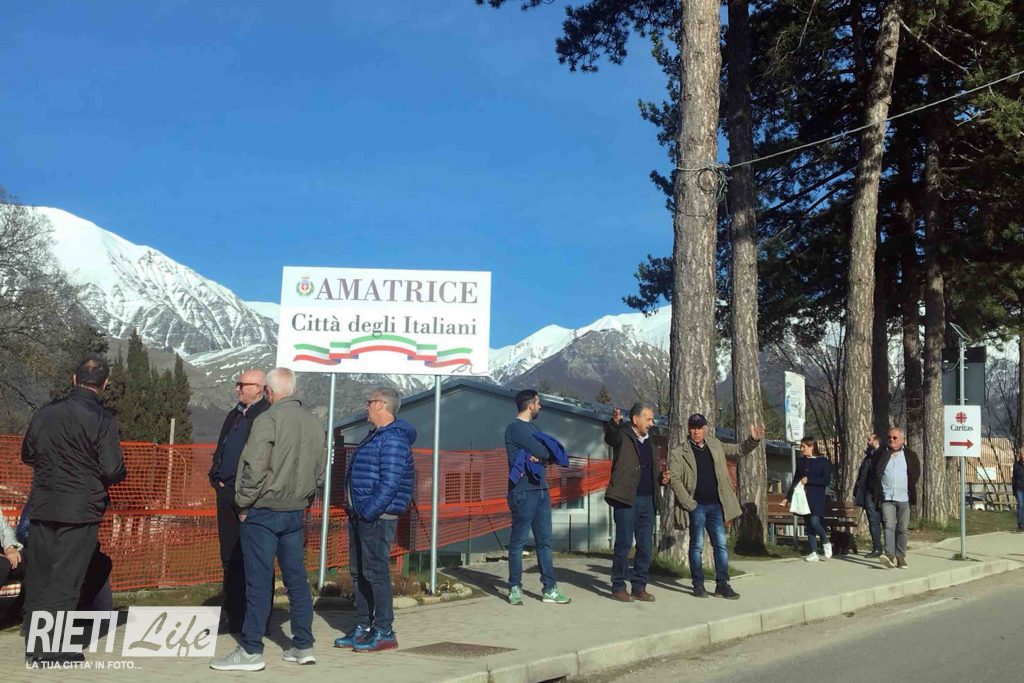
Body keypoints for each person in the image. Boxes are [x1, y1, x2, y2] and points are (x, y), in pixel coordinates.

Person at [210, 368, 326, 672]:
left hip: (263, 510)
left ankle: (251, 649)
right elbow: (320, 469)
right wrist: (304, 497)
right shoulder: (314, 423)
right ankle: (303, 645)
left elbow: (254, 467)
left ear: (269, 392)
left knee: (259, 580)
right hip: (294, 511)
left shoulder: (267, 420)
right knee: (296, 579)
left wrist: (244, 503)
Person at [20, 354, 126, 663]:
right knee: (66, 579)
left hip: (43, 504)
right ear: (104, 383)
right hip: (80, 508)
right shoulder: (102, 419)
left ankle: (34, 639)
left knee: (39, 574)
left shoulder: (45, 413)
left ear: (74, 378)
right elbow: (112, 468)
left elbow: (27, 454)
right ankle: (51, 648)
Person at [334, 387, 416, 653]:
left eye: (369, 402)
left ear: (381, 405)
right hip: (360, 514)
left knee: (375, 573)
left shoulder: (393, 438)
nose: (366, 407)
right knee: (359, 573)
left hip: (376, 517)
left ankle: (384, 631)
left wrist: (369, 511)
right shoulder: (376, 435)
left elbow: (390, 482)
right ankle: (363, 626)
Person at [666, 413, 764, 600]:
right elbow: (675, 479)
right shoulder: (679, 452)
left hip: (716, 505)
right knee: (697, 546)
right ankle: (698, 584)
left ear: (705, 429)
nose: (696, 432)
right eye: (693, 428)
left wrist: (753, 440)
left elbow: (738, 450)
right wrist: (689, 503)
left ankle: (722, 585)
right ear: (688, 429)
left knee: (720, 545)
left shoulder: (715, 445)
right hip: (696, 506)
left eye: (699, 428)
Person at [208, 368, 270, 634]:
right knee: (229, 555)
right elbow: (223, 446)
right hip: (226, 492)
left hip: (250, 496)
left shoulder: (265, 416)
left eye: (241, 384)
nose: (237, 389)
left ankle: (257, 619)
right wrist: (215, 476)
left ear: (258, 388)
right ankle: (233, 614)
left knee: (255, 557)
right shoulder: (235, 414)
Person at [604, 403, 669, 602]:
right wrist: (614, 424)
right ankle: (618, 586)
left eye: (652, 419)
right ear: (635, 419)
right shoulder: (622, 435)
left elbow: (651, 469)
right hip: (626, 498)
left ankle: (639, 586)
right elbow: (611, 437)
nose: (651, 423)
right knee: (624, 544)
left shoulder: (651, 441)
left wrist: (661, 479)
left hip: (648, 500)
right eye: (648, 419)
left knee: (645, 547)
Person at [873, 427, 921, 569]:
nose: (891, 440)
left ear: (902, 440)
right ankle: (889, 555)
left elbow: (915, 474)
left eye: (895, 438)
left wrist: (907, 487)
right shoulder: (881, 454)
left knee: (902, 529)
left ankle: (900, 557)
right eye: (889, 437)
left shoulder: (910, 455)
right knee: (889, 526)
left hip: (903, 497)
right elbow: (875, 472)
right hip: (887, 497)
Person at [782, 436, 833, 562]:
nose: (801, 449)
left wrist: (809, 480)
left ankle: (825, 541)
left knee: (815, 522)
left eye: (803, 446)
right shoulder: (801, 462)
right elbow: (795, 480)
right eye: (801, 446)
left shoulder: (823, 462)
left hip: (818, 498)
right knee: (809, 525)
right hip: (804, 498)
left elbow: (826, 480)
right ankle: (814, 552)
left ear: (812, 446)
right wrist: (787, 498)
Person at [853, 433, 884, 556]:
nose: (867, 442)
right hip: (868, 493)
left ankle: (890, 548)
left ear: (876, 442)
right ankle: (877, 548)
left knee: (885, 521)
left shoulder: (883, 455)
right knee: (873, 520)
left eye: (869, 440)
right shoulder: (868, 458)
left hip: (880, 493)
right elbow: (862, 477)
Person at [1013, 451, 1024, 533]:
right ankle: (1020, 525)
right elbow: (1014, 478)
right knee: (1020, 505)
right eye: (1022, 454)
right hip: (1019, 488)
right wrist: (1014, 489)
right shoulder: (1016, 465)